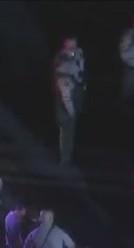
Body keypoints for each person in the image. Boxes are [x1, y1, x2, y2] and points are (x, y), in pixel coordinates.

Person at [54, 36, 85, 167]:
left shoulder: (76, 57)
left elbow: (80, 73)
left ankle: (68, 156)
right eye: (70, 46)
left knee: (70, 132)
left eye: (74, 46)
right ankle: (65, 158)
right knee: (66, 131)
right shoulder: (64, 66)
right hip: (66, 104)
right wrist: (71, 110)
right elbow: (65, 94)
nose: (73, 49)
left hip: (73, 100)